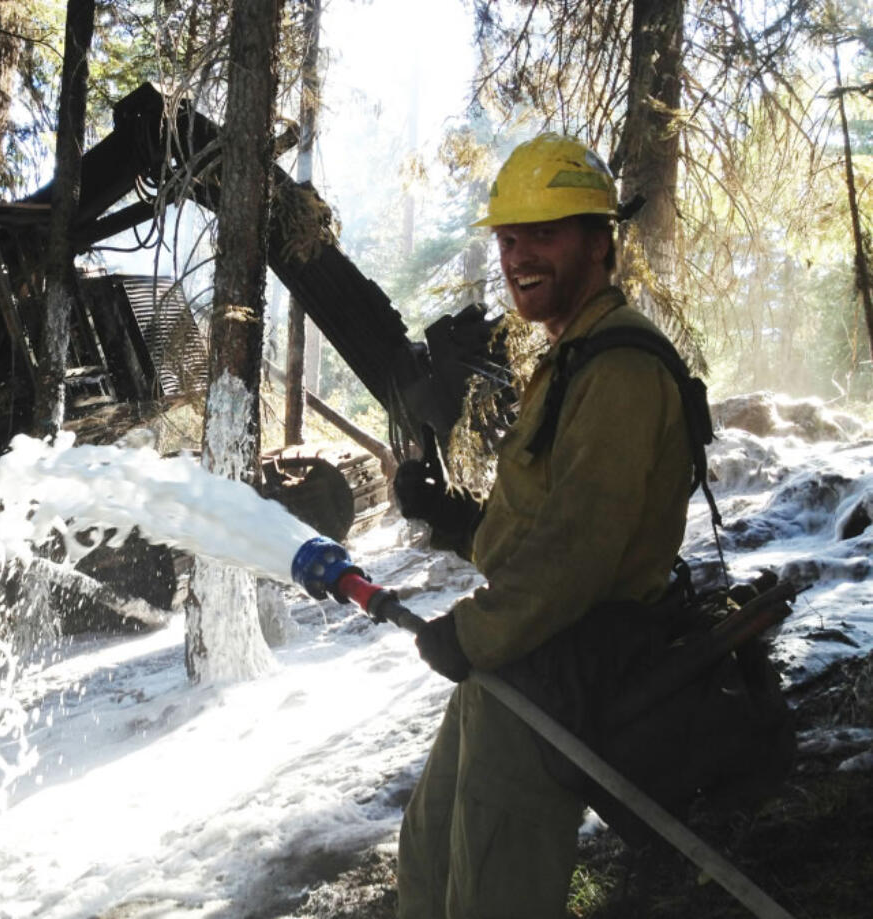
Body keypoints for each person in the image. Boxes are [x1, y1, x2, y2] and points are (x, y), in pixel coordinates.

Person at [394, 133, 695, 918]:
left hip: (571, 664)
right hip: (524, 660)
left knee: (494, 887)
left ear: (600, 242)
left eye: (544, 233)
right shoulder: (572, 357)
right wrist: (459, 522)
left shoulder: (622, 366)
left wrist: (472, 634)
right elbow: (543, 523)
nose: (517, 253)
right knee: (428, 855)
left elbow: (577, 552)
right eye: (507, 236)